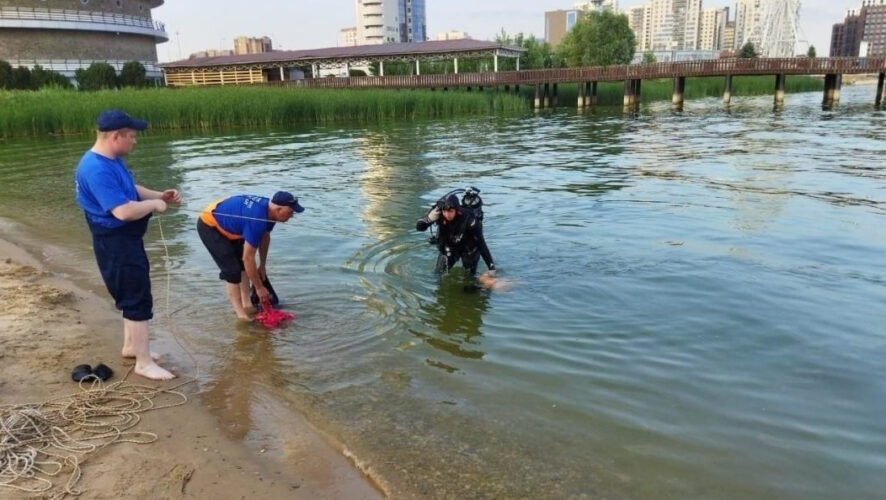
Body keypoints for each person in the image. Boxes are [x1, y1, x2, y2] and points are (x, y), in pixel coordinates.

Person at [75, 109, 180, 381]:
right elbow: (122, 211)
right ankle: (143, 363)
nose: (135, 141)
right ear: (114, 136)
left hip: (125, 241)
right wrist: (154, 206)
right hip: (115, 242)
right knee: (136, 297)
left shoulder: (111, 160)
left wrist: (160, 195)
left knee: (131, 293)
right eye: (131, 136)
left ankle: (132, 347)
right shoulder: (95, 168)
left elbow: (129, 188)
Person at [197, 192, 304, 319]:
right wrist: (259, 288)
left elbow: (265, 236)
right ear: (278, 209)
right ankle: (241, 315)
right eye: (290, 212)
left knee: (243, 266)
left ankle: (247, 304)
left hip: (235, 224)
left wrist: (262, 265)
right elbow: (248, 258)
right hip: (210, 224)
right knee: (232, 271)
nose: (292, 216)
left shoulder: (270, 213)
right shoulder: (256, 220)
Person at [416, 193, 495, 277]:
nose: (447, 214)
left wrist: (491, 267)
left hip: (469, 248)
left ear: (457, 210)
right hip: (450, 247)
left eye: (450, 211)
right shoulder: (439, 215)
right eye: (445, 211)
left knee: (469, 278)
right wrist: (429, 219)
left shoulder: (469, 219)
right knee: (437, 275)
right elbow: (419, 228)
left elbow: (481, 244)